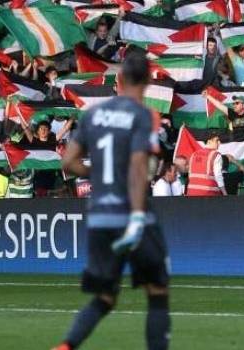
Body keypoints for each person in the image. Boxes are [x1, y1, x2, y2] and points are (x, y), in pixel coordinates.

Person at [56, 52, 170, 350]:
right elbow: (136, 167)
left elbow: (68, 162)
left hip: (99, 216)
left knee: (105, 296)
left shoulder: (93, 114)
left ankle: (67, 345)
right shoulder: (142, 115)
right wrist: (135, 216)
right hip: (132, 215)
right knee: (157, 290)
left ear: (118, 80)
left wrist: (98, 174)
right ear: (147, 79)